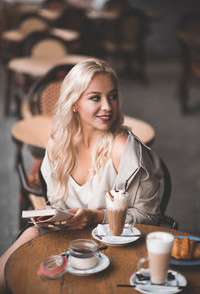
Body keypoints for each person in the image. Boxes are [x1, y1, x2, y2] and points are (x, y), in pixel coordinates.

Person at [0, 58, 163, 292]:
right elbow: (57, 202)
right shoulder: (58, 142)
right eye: (95, 97)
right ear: (74, 102)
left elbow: (150, 218)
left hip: (114, 242)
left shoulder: (123, 148)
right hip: (68, 237)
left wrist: (96, 216)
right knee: (25, 243)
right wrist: (53, 215)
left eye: (113, 96)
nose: (107, 106)